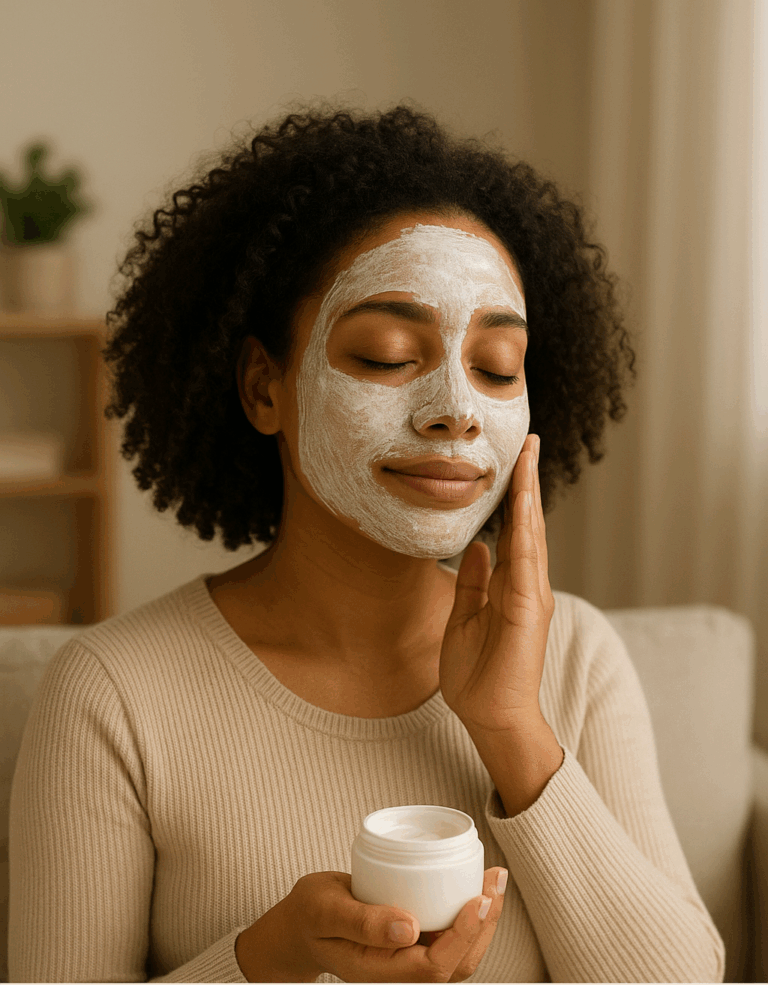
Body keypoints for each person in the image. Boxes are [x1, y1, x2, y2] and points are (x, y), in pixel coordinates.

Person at [8, 104, 725, 983]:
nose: (458, 408)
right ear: (263, 388)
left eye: (499, 367)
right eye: (388, 354)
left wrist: (513, 733)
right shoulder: (113, 697)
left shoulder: (575, 656)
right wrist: (260, 963)